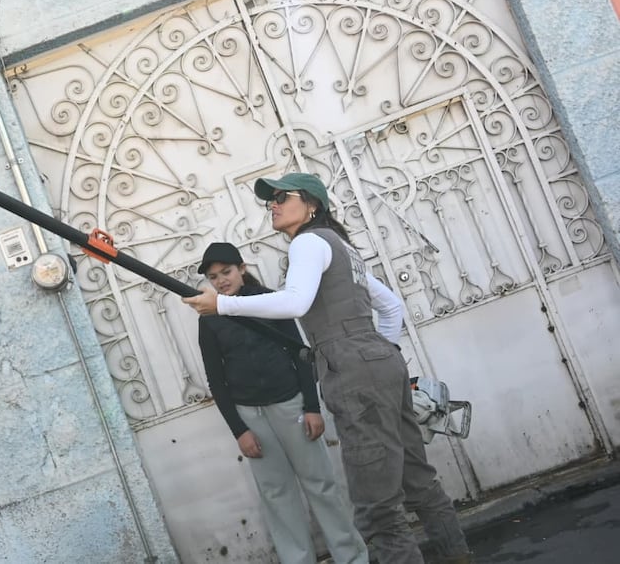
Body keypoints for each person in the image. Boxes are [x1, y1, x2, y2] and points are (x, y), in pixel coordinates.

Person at [184, 173, 472, 564]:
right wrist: (380, 354)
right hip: (380, 363)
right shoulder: (340, 246)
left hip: (354, 372)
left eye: (282, 197)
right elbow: (390, 307)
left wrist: (222, 305)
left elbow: (295, 303)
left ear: (311, 204)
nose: (272, 205)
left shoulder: (307, 242)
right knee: (418, 481)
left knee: (378, 511)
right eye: (270, 200)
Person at [196, 242, 369, 564]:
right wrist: (239, 430)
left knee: (321, 485)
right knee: (277, 494)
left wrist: (312, 407)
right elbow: (215, 380)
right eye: (213, 277)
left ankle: (352, 557)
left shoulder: (269, 301)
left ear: (242, 268)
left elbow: (301, 355)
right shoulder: (209, 319)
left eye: (226, 272)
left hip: (291, 406)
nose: (221, 281)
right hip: (251, 416)